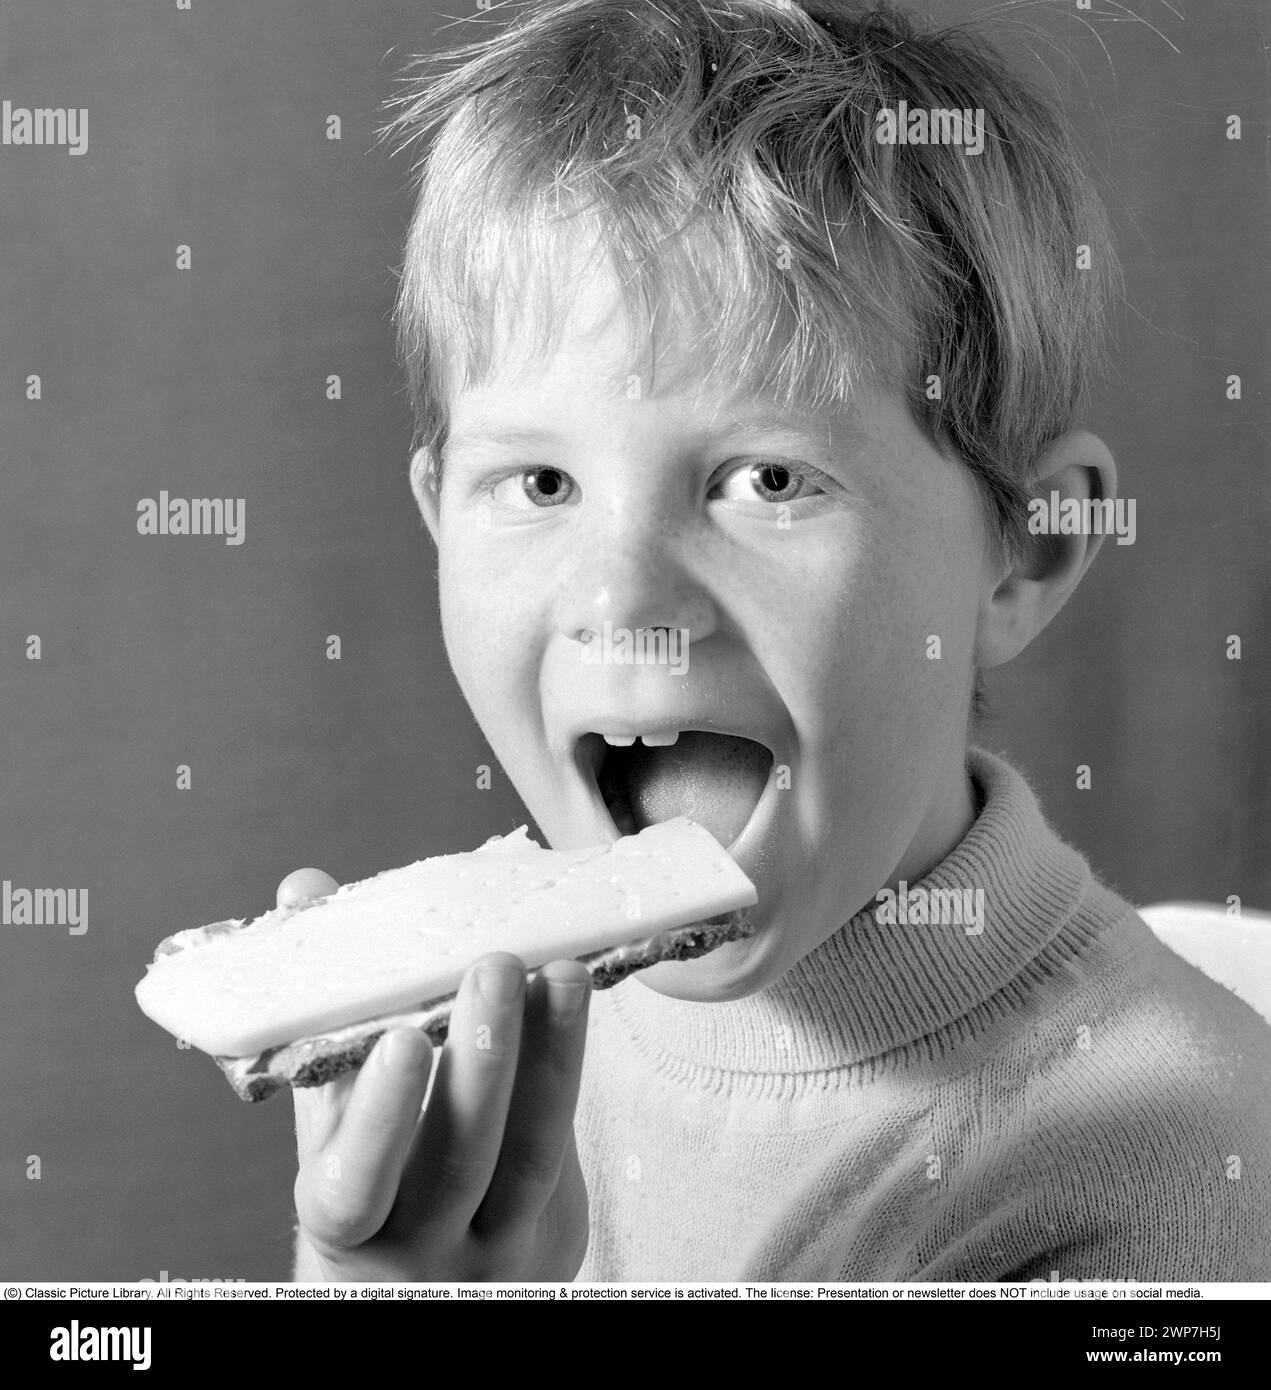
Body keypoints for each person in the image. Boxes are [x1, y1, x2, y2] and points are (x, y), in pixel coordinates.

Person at [283, 0, 1271, 1281]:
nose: (622, 594)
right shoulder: (465, 1061)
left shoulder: (1172, 1173)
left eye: (763, 480)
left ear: (1018, 549)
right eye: (537, 484)